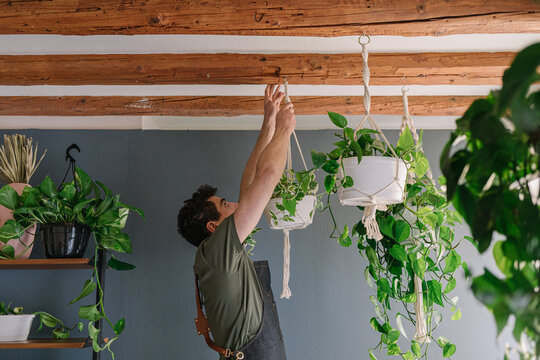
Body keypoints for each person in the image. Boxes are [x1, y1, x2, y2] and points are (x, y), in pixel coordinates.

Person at [177, 84, 295, 359]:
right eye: (224, 204)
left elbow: (251, 184)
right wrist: (284, 130)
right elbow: (266, 176)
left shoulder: (219, 253)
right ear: (213, 226)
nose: (235, 204)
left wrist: (268, 121)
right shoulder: (218, 251)